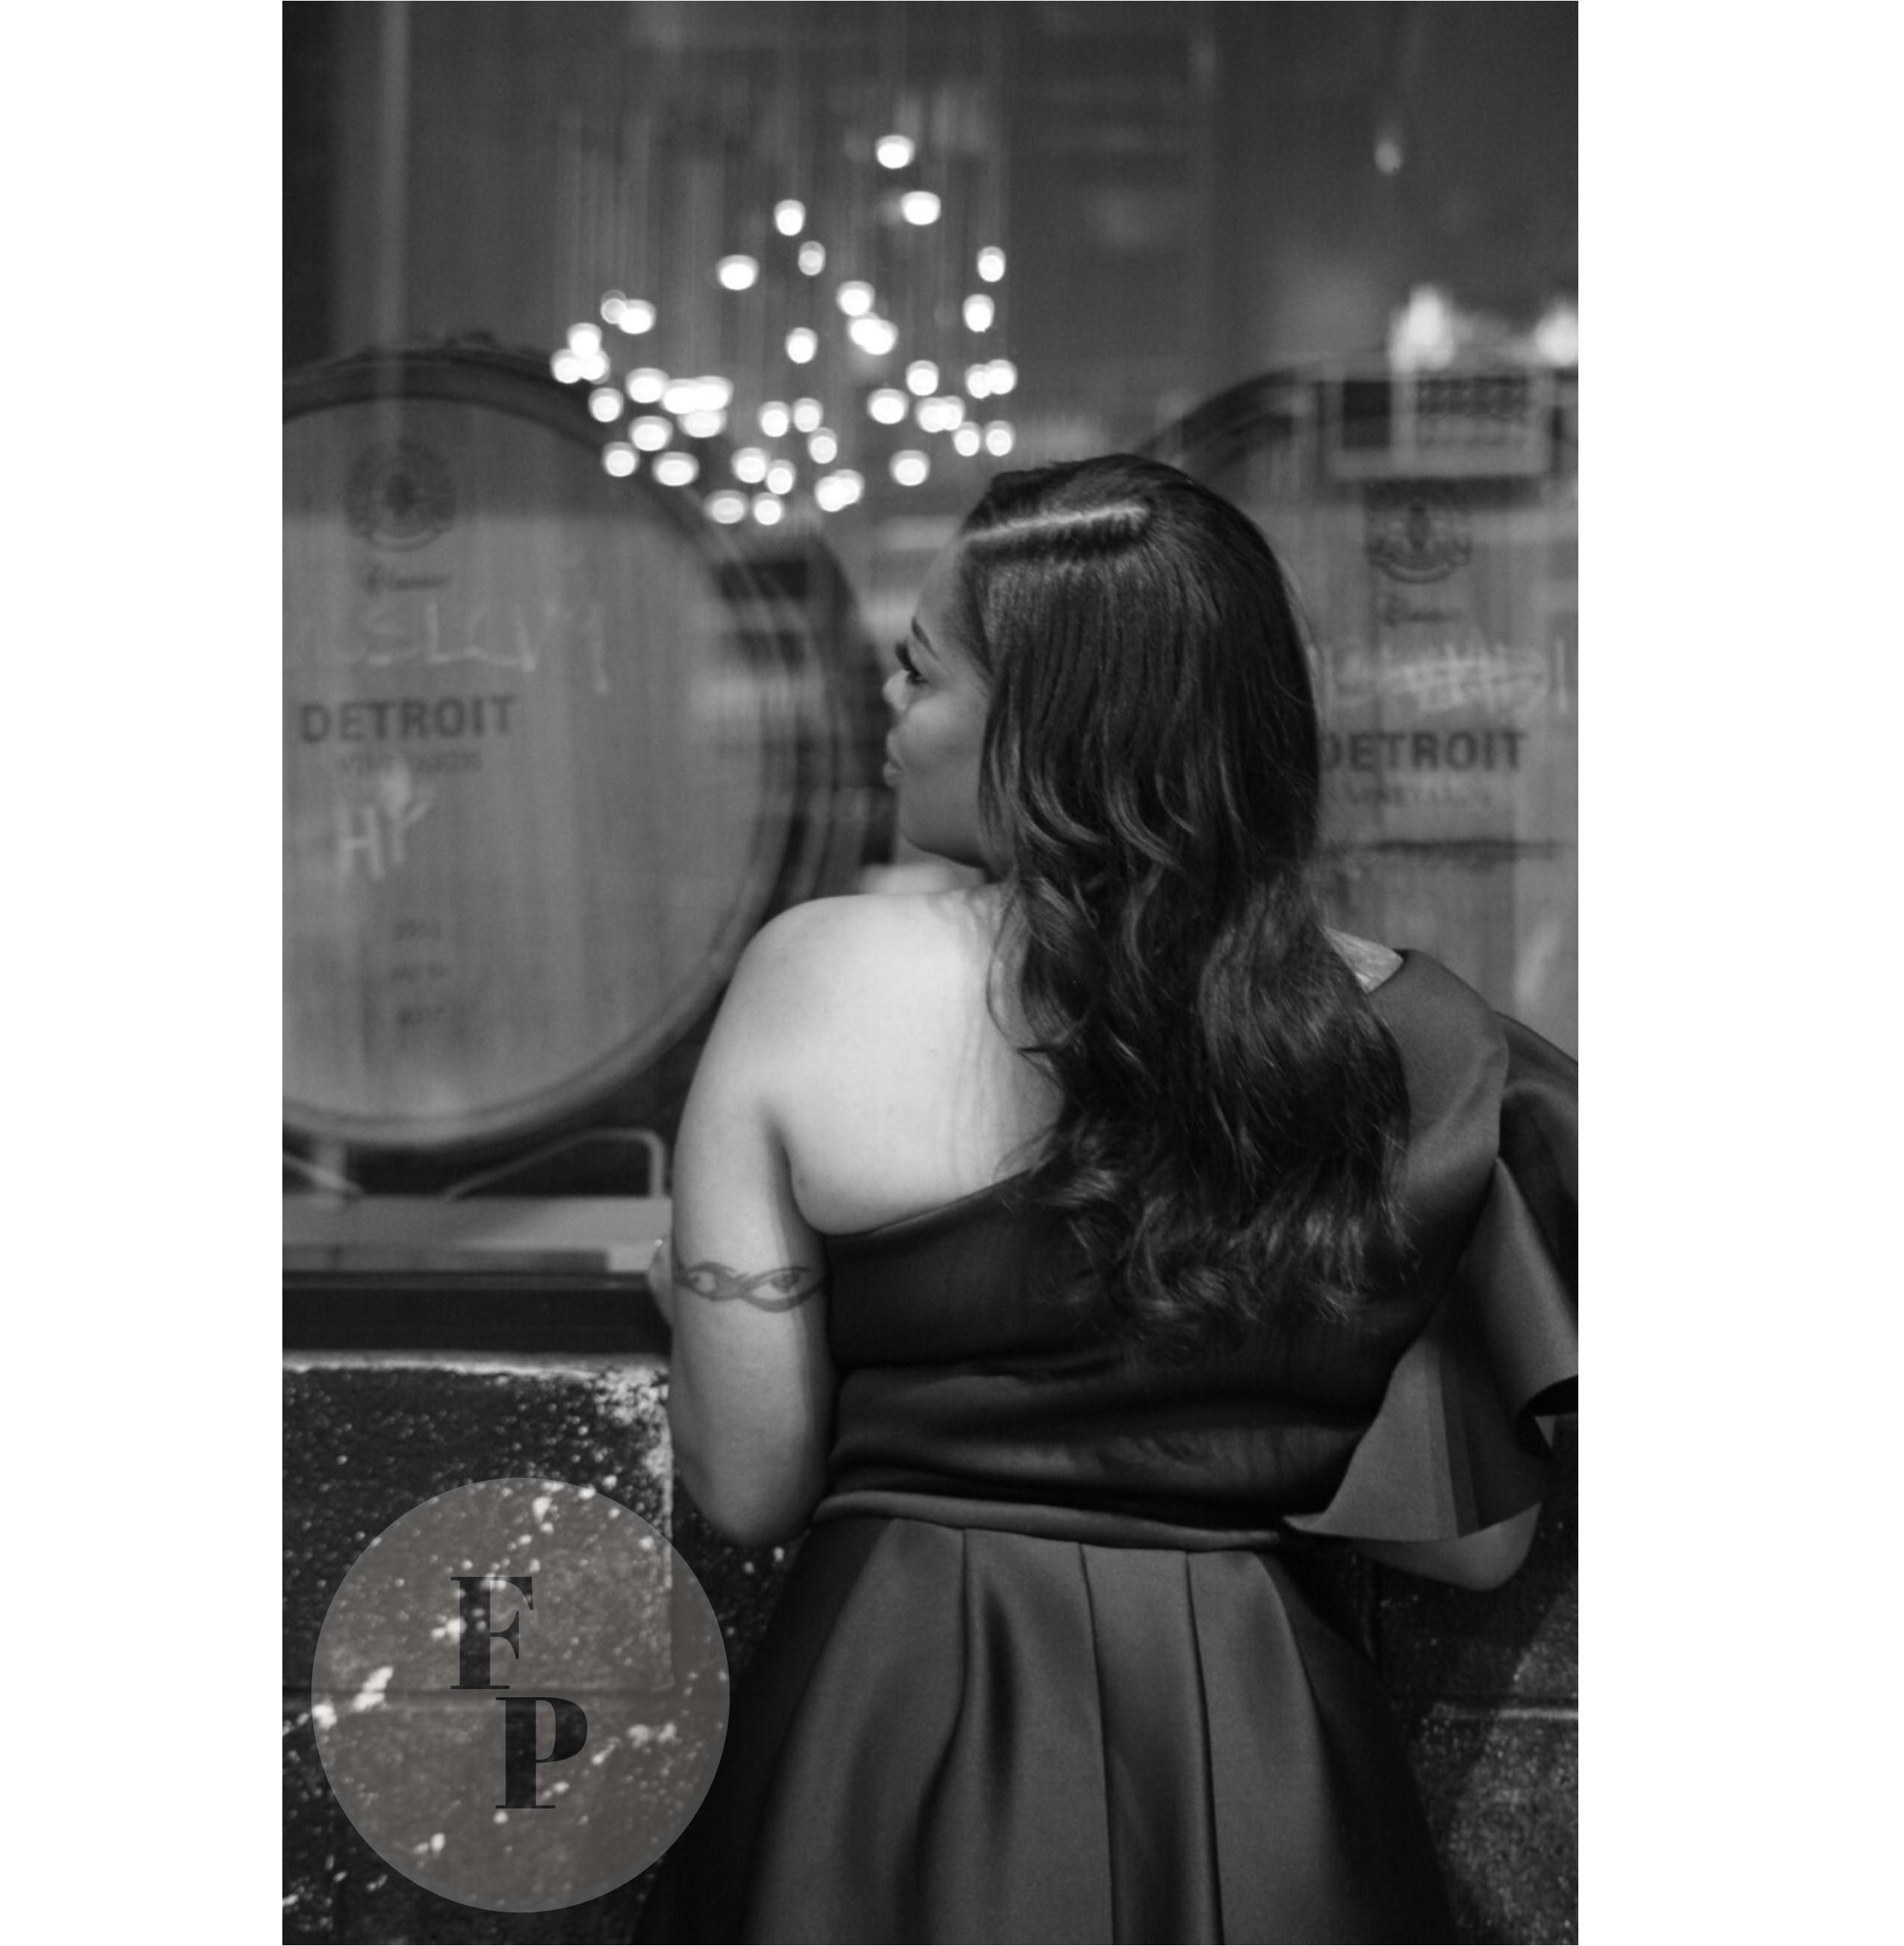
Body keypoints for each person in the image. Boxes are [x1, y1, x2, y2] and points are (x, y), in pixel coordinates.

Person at [636, 455, 1576, 1944]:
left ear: (1043, 732)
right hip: (1266, 1750)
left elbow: (749, 1484)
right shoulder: (1427, 1044)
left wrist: (697, 1303)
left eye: (919, 671)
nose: (887, 704)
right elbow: (1472, 1544)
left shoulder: (813, 977)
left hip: (886, 1727)